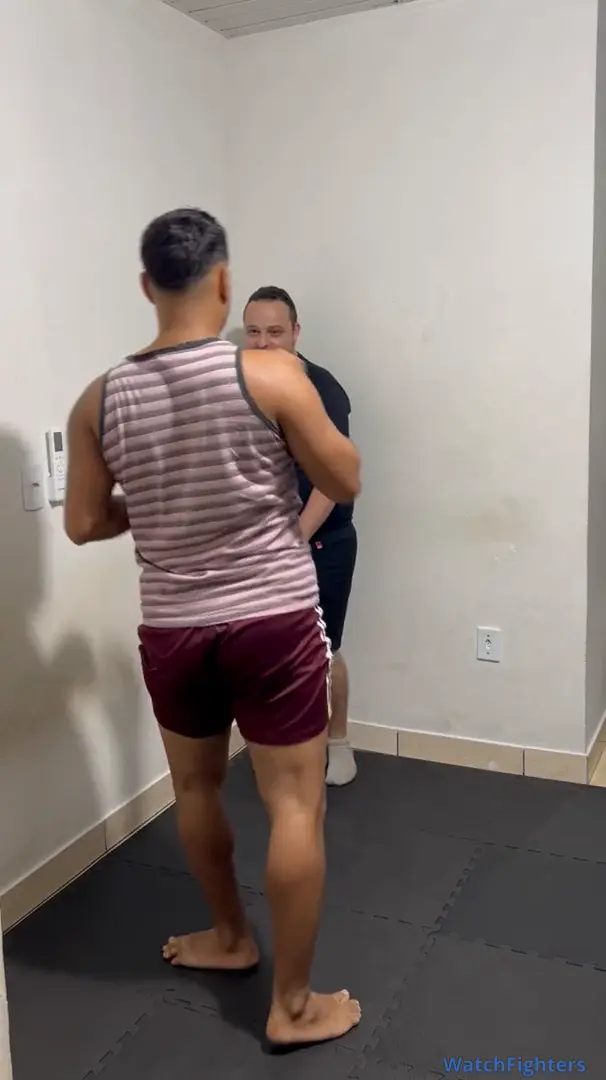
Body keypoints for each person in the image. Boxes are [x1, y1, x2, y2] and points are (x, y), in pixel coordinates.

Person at [63, 209, 362, 1049]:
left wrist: (161, 502)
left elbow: (83, 522)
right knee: (294, 803)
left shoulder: (99, 397)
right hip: (270, 619)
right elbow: (345, 477)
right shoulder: (270, 375)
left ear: (146, 286)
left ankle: (231, 938)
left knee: (195, 790)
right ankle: (292, 1006)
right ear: (224, 283)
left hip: (174, 628)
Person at [244, 287, 357, 786]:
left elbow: (331, 480)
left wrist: (292, 545)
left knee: (321, 650)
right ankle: (288, 748)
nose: (263, 342)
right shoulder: (243, 389)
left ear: (295, 332)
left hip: (321, 543)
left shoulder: (321, 388)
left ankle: (340, 744)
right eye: (253, 332)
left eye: (274, 331)